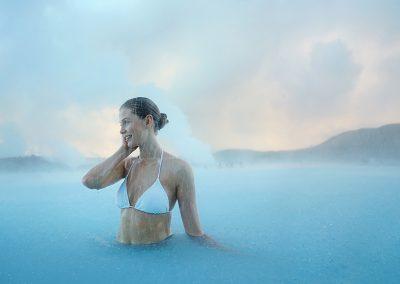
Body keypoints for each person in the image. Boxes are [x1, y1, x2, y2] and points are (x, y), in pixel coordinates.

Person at [82, 97, 219, 247]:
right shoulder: (128, 165)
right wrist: (123, 151)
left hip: (156, 260)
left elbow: (195, 233)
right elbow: (90, 182)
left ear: (148, 121)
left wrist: (225, 254)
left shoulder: (178, 169)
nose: (121, 130)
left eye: (126, 122)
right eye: (121, 124)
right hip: (123, 259)